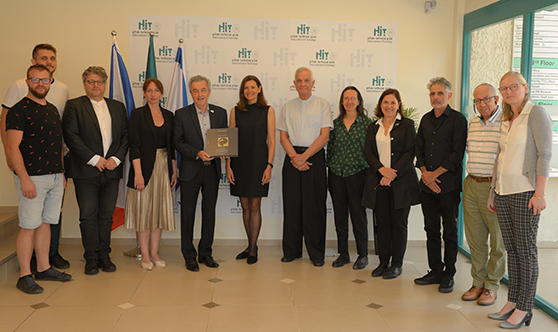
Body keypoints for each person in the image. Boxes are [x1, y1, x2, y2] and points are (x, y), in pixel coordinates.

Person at [487, 71, 552, 329]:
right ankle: (512, 300)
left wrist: (540, 193)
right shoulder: (506, 117)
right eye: (503, 88)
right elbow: (500, 157)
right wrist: (493, 190)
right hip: (503, 192)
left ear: (525, 87)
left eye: (513, 86)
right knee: (512, 251)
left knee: (526, 252)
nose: (508, 91)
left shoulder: (536, 113)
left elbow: (545, 154)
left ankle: (525, 307)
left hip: (526, 193)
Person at [1, 43, 70, 270]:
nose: (41, 84)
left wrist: (60, 173)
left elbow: (57, 144)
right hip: (32, 178)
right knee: (28, 226)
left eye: (45, 80)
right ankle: (25, 275)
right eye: (35, 80)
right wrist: (24, 178)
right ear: (27, 81)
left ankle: (44, 268)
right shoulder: (18, 110)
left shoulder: (51, 109)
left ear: (51, 81)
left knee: (45, 225)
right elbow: (12, 147)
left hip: (54, 177)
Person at [63, 66, 128, 275]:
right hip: (85, 171)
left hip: (111, 171)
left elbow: (125, 137)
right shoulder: (74, 105)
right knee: (88, 216)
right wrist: (95, 159)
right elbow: (71, 136)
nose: (95, 85)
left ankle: (104, 256)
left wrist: (115, 159)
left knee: (106, 216)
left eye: (99, 81)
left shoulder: (118, 107)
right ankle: (90, 257)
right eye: (91, 81)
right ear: (84, 84)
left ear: (105, 84)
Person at [414, 77, 467, 293]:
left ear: (449, 95)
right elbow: (419, 150)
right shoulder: (426, 119)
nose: (436, 97)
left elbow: (456, 155)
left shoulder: (458, 120)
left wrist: (434, 175)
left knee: (450, 231)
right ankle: (435, 270)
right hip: (427, 186)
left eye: (440, 94)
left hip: (448, 185)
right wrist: (426, 175)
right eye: (432, 94)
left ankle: (449, 274)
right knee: (431, 229)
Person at [362, 88, 420, 279]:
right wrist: (381, 170)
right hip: (379, 182)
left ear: (399, 105)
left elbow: (410, 152)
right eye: (385, 102)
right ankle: (383, 263)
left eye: (393, 102)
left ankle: (396, 265)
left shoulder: (407, 125)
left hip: (401, 183)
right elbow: (368, 153)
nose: (389, 106)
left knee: (399, 224)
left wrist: (391, 173)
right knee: (383, 224)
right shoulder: (373, 127)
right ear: (380, 105)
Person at [278, 67, 332, 267]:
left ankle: (316, 253)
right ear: (294, 83)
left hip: (314, 157)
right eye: (299, 80)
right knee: (292, 207)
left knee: (315, 208)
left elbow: (325, 135)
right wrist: (295, 157)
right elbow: (283, 136)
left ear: (313, 82)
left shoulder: (322, 104)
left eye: (306, 80)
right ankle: (291, 251)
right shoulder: (287, 106)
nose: (303, 84)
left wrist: (304, 157)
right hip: (292, 158)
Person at [174, 75, 227, 272]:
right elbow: (177, 142)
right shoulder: (181, 114)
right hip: (190, 170)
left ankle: (206, 253)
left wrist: (224, 152)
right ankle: (189, 255)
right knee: (187, 215)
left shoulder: (220, 113)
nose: (199, 94)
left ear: (209, 91)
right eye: (195, 91)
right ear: (191, 93)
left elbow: (224, 140)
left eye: (203, 90)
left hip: (212, 171)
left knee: (209, 213)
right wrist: (197, 153)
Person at [125, 78, 177, 270]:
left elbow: (172, 146)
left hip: (164, 167)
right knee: (144, 211)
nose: (153, 94)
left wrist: (174, 170)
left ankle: (155, 253)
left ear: (162, 94)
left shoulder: (170, 116)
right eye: (149, 91)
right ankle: (145, 254)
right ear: (145, 94)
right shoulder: (137, 115)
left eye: (156, 90)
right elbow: (134, 144)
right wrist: (138, 173)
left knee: (159, 212)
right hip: (143, 168)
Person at [461, 83, 505, 306]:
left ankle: (492, 286)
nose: (482, 104)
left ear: (496, 98)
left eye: (486, 99)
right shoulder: (473, 124)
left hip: (494, 187)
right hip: (471, 184)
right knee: (476, 240)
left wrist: (496, 189)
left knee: (497, 240)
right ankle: (477, 282)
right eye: (478, 101)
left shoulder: (506, 123)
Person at [226, 75, 276, 265]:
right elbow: (230, 141)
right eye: (246, 88)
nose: (249, 91)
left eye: (253, 87)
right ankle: (249, 245)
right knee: (245, 206)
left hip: (258, 164)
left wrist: (269, 166)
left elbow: (271, 141)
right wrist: (228, 166)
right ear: (242, 90)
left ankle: (253, 248)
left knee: (255, 206)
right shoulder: (235, 111)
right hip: (239, 164)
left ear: (259, 88)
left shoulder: (268, 110)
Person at [327, 86, 372, 270]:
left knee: (358, 216)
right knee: (340, 217)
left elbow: (371, 151)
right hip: (336, 174)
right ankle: (343, 254)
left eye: (353, 98)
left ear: (359, 101)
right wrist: (330, 170)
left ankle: (363, 255)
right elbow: (330, 150)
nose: (349, 101)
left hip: (357, 175)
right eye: (346, 98)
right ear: (342, 102)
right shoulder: (335, 124)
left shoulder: (367, 124)